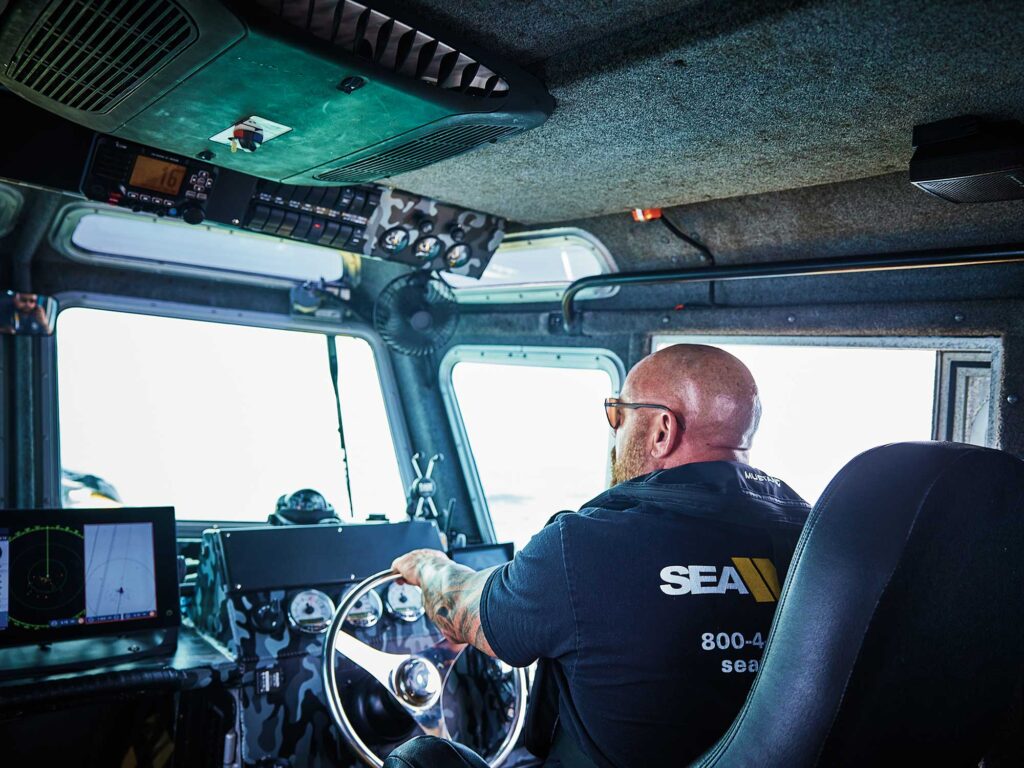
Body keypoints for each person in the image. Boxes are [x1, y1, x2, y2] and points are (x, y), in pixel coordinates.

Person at [391, 344, 811, 767]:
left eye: (619, 414)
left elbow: (464, 612)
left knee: (418, 758)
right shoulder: (812, 538)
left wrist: (429, 565)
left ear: (662, 430)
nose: (615, 432)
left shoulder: (584, 544)